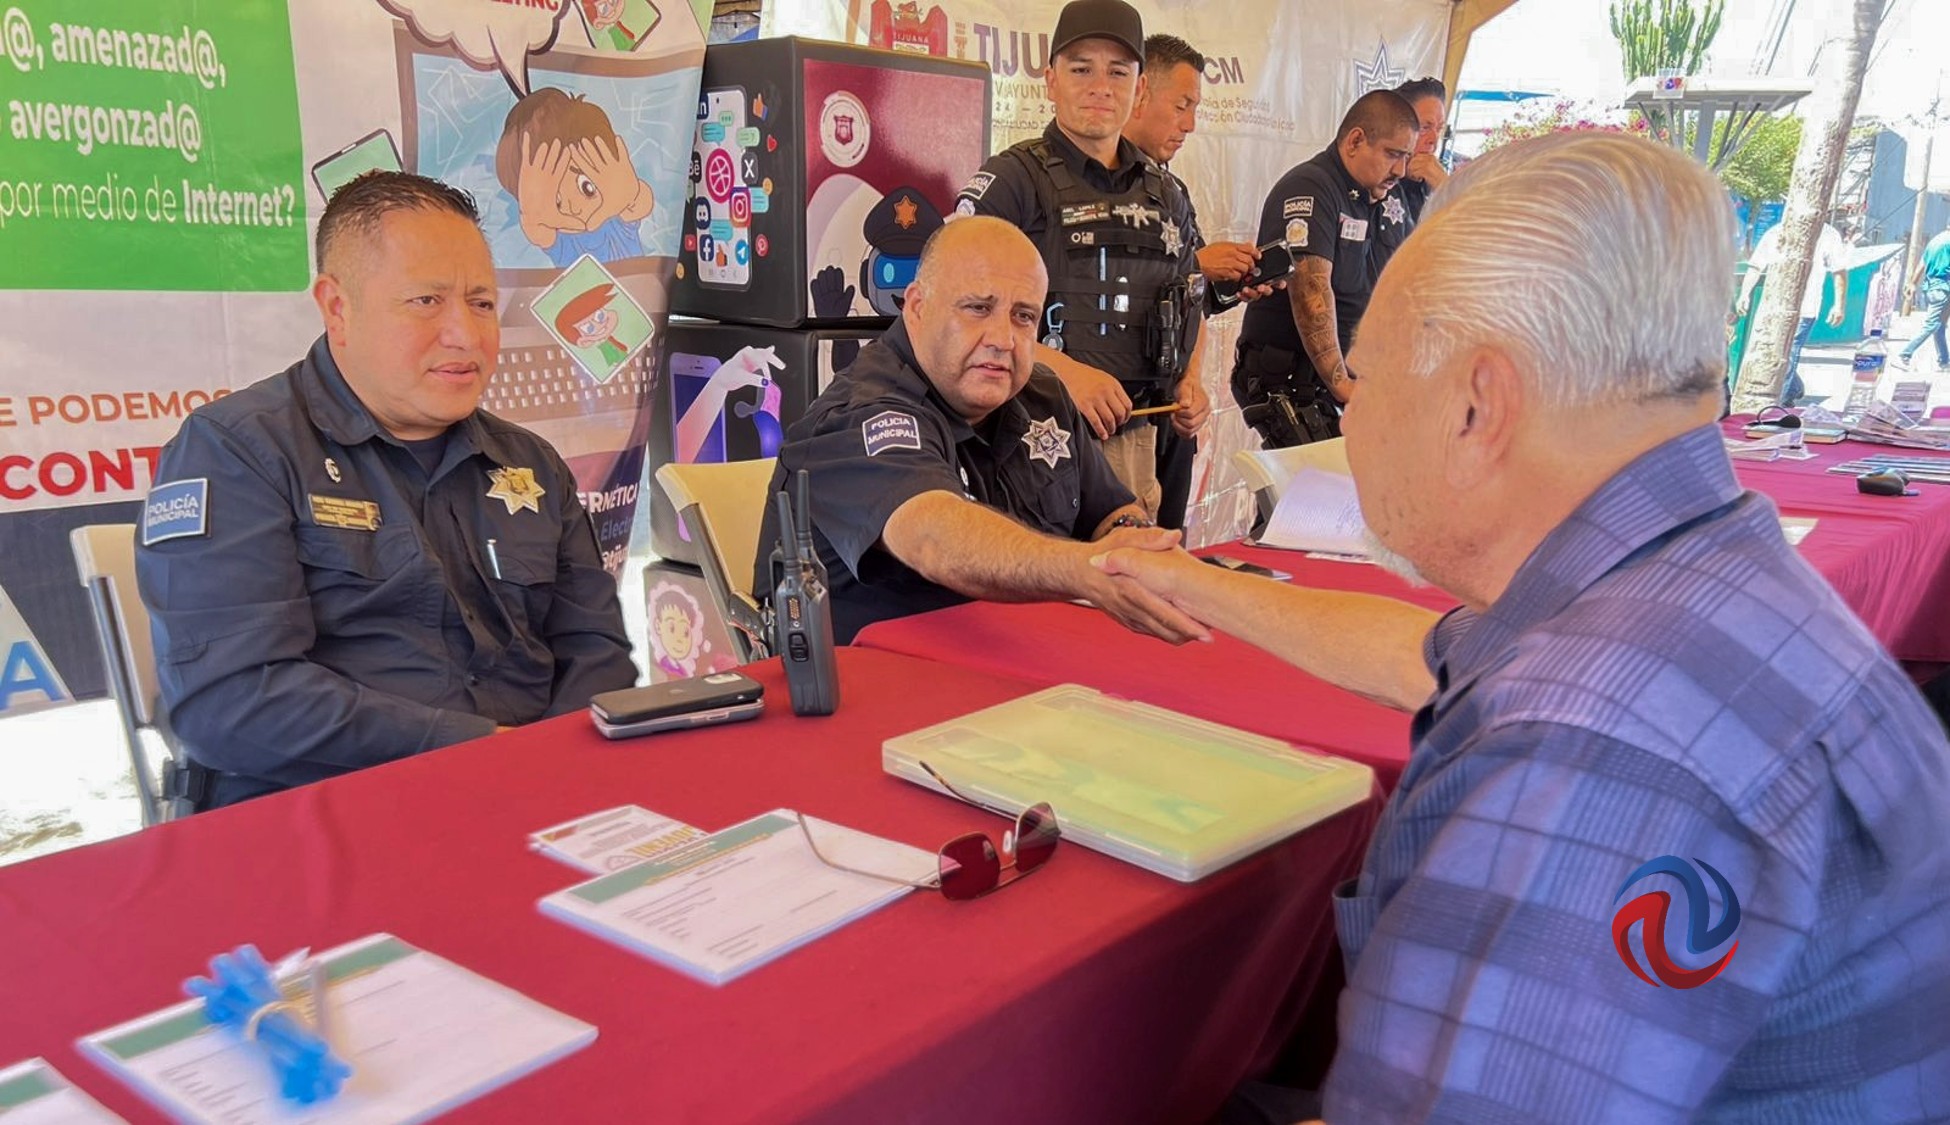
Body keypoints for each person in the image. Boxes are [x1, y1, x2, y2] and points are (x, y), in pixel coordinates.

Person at [1100, 133, 1950, 1122]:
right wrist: (1198, 585)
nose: (1353, 414)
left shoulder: (1592, 754)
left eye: (1365, 378)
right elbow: (1437, 654)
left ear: (1478, 406)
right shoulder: (1686, 578)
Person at [137, 172, 636, 812]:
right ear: (338, 308)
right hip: (327, 814)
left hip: (536, 795)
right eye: (426, 301)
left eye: (481, 303)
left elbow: (596, 650)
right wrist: (485, 752)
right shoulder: (237, 451)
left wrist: (554, 768)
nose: (465, 333)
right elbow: (231, 700)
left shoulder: (529, 462)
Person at [749, 216, 1207, 648]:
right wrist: (1088, 569)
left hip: (1018, 668)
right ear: (917, 306)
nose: (1003, 338)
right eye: (977, 308)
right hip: (880, 695)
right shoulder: (861, 415)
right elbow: (934, 538)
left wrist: (1131, 538)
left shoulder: (1041, 394)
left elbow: (1108, 510)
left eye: (1023, 316)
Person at [952, 0, 1203, 527]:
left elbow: (1191, 295)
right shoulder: (1012, 181)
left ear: (1138, 90)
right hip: (1033, 437)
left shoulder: (1168, 194)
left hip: (1142, 440)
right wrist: (1063, 372)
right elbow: (954, 309)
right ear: (1050, 81)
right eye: (1080, 68)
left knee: (1131, 598)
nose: (1100, 87)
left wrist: (1190, 381)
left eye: (1118, 72)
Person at [1119, 32, 1280, 529]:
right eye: (1182, 105)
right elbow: (1100, 294)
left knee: (1168, 553)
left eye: (1195, 108)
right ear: (1141, 93)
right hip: (1112, 417)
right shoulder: (1075, 186)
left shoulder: (1171, 188)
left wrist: (1227, 284)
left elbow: (1190, 300)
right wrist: (1196, 264)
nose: (1189, 125)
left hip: (1170, 409)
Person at [1231, 91, 1419, 448]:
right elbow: (1311, 293)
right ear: (1355, 141)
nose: (1400, 171)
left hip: (1355, 379)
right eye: (1392, 155)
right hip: (1295, 380)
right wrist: (1343, 387)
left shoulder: (1386, 196)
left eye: (1406, 157)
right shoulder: (1312, 186)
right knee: (1310, 496)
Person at [1735, 217, 1848, 404]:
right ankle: (1794, 387)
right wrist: (1745, 294)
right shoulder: (1777, 232)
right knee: (1772, 352)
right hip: (1773, 307)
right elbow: (1756, 266)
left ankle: (1781, 402)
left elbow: (1839, 271)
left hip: (1806, 307)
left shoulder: (1828, 235)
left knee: (1789, 352)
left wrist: (1839, 305)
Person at [1392, 76, 1448, 223]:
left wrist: (1446, 189)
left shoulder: (1433, 181)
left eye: (1439, 128)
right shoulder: (1378, 181)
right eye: (1425, 128)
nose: (1433, 141)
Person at [1897, 216, 1950, 372]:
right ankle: (1905, 354)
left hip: (1932, 287)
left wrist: (1913, 282)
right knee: (1932, 325)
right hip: (1943, 288)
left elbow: (1922, 262)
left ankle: (1945, 361)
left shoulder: (1936, 240)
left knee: (1939, 326)